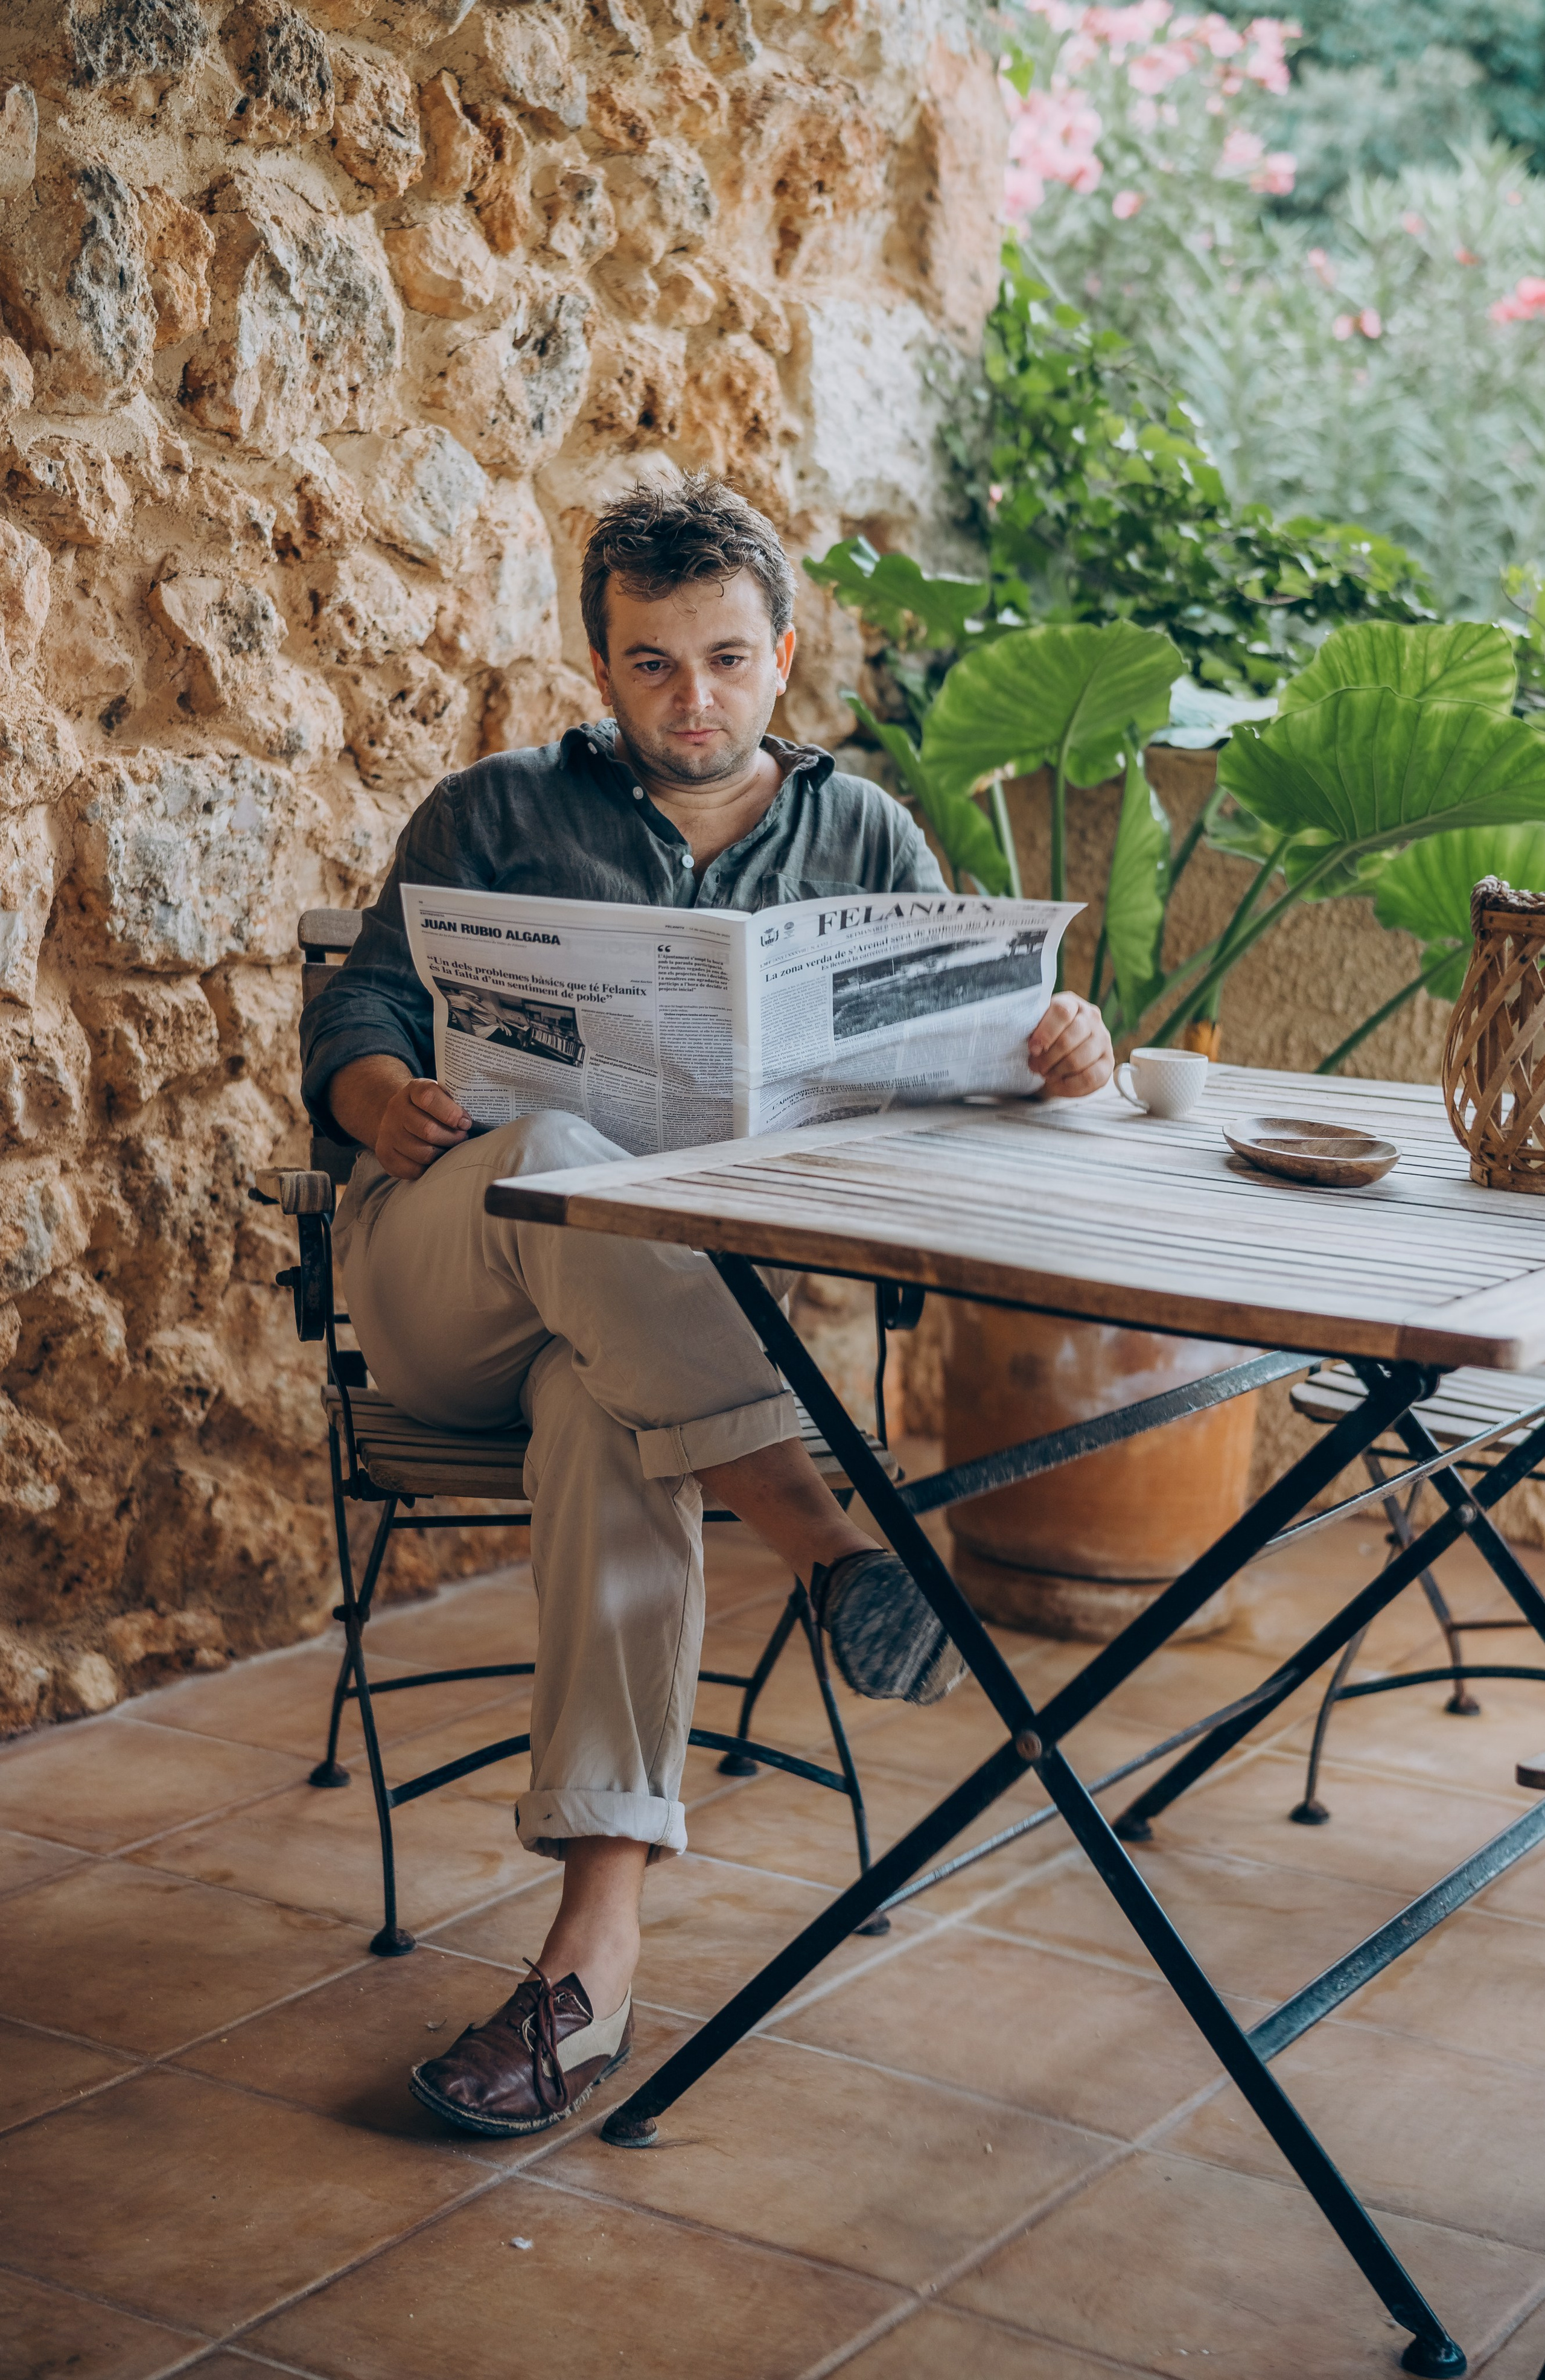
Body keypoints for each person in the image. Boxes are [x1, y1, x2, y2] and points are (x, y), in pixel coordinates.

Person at [299, 473, 1114, 2139]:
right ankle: (828, 1544)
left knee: (613, 1423)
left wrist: (1057, 1053)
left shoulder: (864, 835)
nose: (696, 699)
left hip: (639, 1353)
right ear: (601, 666)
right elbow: (364, 1000)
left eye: (729, 659)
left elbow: (953, 1049)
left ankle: (589, 1966)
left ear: (785, 655)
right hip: (445, 1267)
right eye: (655, 663)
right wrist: (379, 1094)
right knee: (560, 1150)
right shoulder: (491, 814)